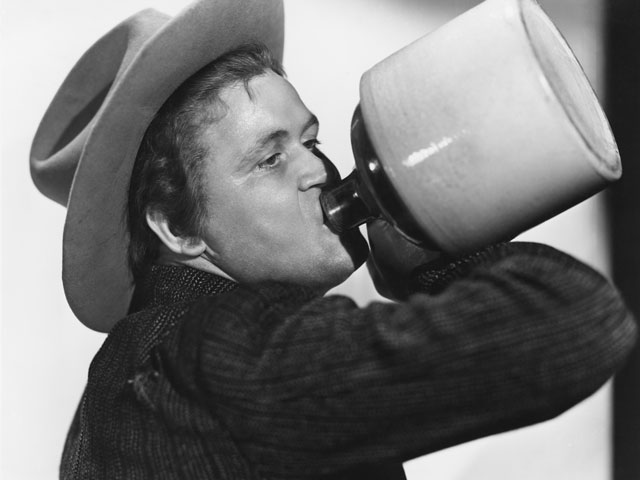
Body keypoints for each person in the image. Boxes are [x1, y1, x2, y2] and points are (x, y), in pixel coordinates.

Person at [30, 0, 637, 479]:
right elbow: (577, 323)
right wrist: (435, 253)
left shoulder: (137, 374)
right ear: (178, 227)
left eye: (311, 139)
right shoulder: (219, 352)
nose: (319, 169)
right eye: (270, 159)